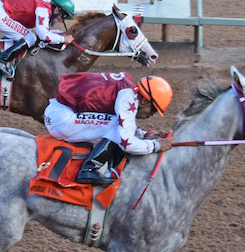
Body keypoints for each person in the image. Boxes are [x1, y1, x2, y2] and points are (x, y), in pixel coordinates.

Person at [44, 72, 174, 185]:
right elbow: (126, 142)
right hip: (62, 119)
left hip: (60, 111)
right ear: (145, 101)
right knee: (117, 127)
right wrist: (155, 145)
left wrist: (145, 134)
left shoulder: (128, 89)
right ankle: (91, 168)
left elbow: (126, 124)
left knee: (117, 125)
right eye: (152, 110)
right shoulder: (128, 98)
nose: (150, 115)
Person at [0, 0, 75, 77]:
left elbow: (43, 31)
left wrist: (60, 34)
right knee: (30, 38)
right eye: (61, 18)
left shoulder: (45, 7)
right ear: (56, 10)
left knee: (24, 34)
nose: (60, 21)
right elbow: (44, 35)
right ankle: (1, 61)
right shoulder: (43, 10)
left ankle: (1, 54)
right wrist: (63, 39)